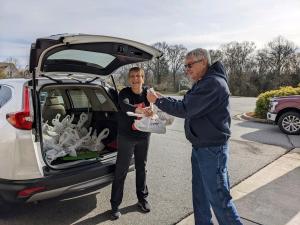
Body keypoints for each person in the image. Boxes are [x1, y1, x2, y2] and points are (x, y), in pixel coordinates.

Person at [147, 49, 243, 225]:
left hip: (212, 151)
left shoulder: (213, 83)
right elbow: (186, 104)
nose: (186, 69)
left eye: (189, 65)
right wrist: (162, 99)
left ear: (203, 62)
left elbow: (186, 109)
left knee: (220, 202)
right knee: (200, 197)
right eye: (185, 66)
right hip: (201, 148)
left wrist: (158, 101)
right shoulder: (203, 82)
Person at [110, 67, 153, 220]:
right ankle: (115, 205)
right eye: (132, 76)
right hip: (126, 137)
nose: (135, 79)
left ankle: (142, 199)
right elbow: (125, 106)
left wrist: (154, 107)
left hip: (143, 136)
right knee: (121, 170)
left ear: (143, 78)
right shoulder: (124, 93)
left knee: (142, 168)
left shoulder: (148, 93)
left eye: (138, 76)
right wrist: (140, 110)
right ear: (129, 79)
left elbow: (156, 105)